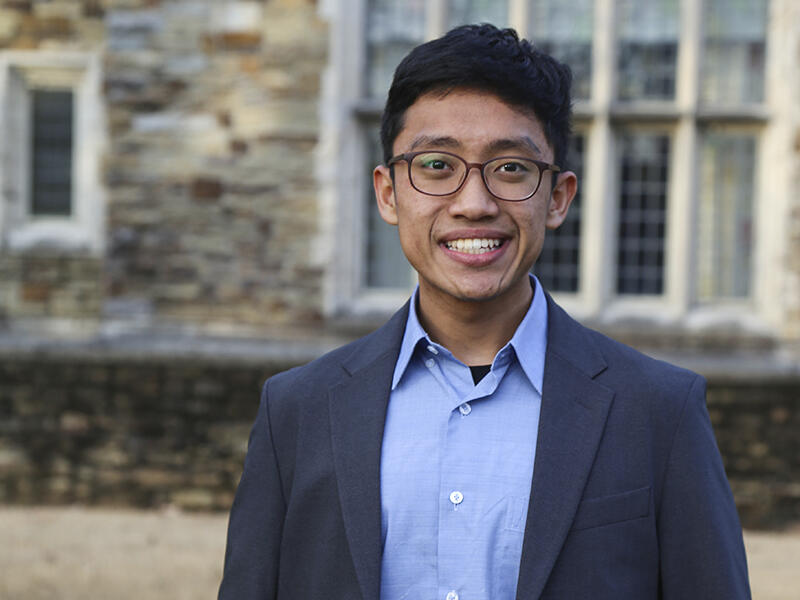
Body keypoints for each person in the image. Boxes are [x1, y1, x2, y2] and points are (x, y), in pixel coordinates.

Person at [218, 24, 750, 600]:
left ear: (559, 198)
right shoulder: (295, 411)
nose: (474, 204)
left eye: (511, 169)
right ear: (389, 193)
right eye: (438, 166)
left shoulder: (660, 412)